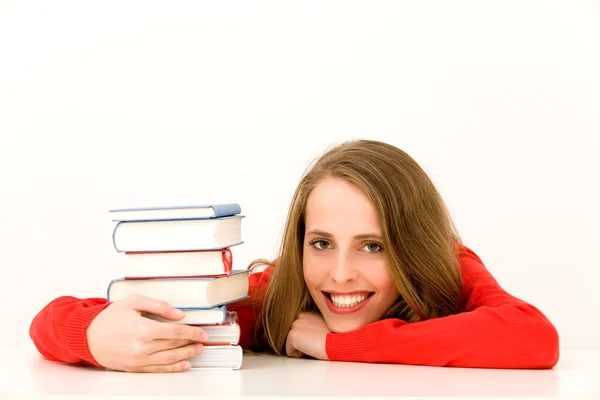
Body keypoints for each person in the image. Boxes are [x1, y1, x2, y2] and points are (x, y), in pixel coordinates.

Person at [29, 140, 559, 373]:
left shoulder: (451, 265)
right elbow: (51, 320)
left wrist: (333, 345)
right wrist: (94, 337)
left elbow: (534, 337)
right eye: (321, 243)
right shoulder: (281, 295)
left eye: (373, 246)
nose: (341, 274)